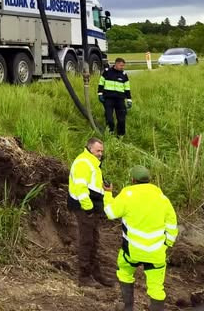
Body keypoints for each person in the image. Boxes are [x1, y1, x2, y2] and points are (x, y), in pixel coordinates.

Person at [103, 165, 178, 311]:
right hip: (156, 253)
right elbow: (172, 225)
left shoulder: (127, 194)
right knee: (156, 288)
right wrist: (166, 244)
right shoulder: (162, 198)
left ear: (133, 180)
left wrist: (107, 193)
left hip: (132, 251)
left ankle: (128, 307)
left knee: (124, 273)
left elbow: (110, 213)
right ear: (149, 180)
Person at [67, 137, 113, 287]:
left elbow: (93, 186)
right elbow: (81, 188)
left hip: (91, 206)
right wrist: (88, 209)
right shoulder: (83, 162)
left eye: (102, 151)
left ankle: (95, 273)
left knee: (94, 240)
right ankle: (84, 276)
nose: (100, 153)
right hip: (83, 207)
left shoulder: (93, 163)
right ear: (90, 148)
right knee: (87, 241)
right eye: (98, 150)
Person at [98, 57, 132, 136]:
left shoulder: (124, 75)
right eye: (121, 65)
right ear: (116, 64)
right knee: (109, 118)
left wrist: (129, 100)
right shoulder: (107, 72)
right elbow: (101, 83)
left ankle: (121, 135)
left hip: (120, 100)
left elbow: (127, 88)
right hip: (108, 99)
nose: (122, 67)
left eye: (123, 66)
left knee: (121, 119)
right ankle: (110, 132)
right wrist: (100, 94)